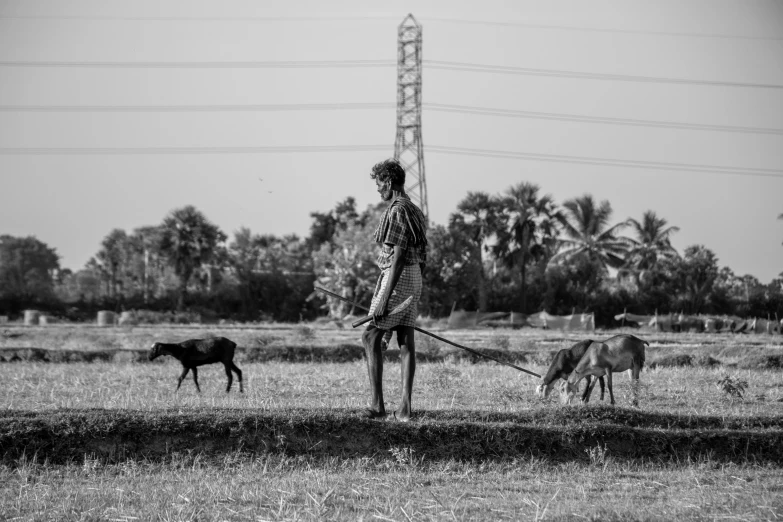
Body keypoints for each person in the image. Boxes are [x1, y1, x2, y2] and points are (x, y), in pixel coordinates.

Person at [362, 159, 428, 422]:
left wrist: (385, 299)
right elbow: (421, 257)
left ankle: (378, 407)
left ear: (388, 182)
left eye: (379, 185)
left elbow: (398, 257)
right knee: (405, 342)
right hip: (415, 277)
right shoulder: (414, 210)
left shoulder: (397, 211)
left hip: (398, 277)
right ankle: (405, 409)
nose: (378, 190)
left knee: (369, 337)